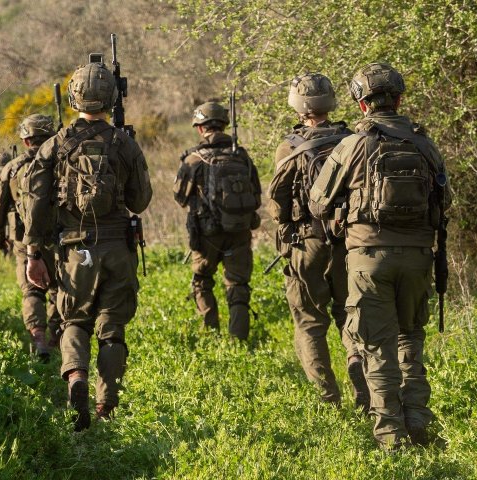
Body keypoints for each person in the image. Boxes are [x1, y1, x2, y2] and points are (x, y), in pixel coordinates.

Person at [309, 62, 450, 450]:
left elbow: (317, 203)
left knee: (376, 345)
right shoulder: (424, 143)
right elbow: (445, 199)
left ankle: (390, 434)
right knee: (410, 339)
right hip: (419, 257)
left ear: (362, 105)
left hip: (369, 259)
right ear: (399, 99)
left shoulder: (354, 143)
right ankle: (417, 419)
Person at [22, 61, 152, 430]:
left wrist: (34, 253)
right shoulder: (124, 142)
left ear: (73, 97)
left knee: (74, 320)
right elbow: (140, 201)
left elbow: (34, 202)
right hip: (117, 249)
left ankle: (76, 376)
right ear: (111, 98)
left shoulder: (54, 145)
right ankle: (105, 406)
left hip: (75, 250)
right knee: (112, 328)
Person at [267, 73, 369, 409]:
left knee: (310, 320)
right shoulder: (353, 140)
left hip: (306, 242)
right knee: (349, 314)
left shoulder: (289, 147)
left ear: (297, 105)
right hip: (349, 244)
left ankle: (328, 402)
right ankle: (356, 362)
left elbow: (276, 204)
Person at [173, 101, 261, 338]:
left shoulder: (193, 160)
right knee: (238, 286)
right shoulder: (241, 156)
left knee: (202, 281)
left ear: (200, 128)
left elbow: (180, 197)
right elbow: (257, 196)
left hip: (206, 235)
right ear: (224, 124)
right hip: (239, 232)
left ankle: (212, 336)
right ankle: (239, 339)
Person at [0, 115, 60, 360]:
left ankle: (38, 338)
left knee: (31, 290)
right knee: (58, 290)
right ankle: (56, 338)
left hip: (24, 241)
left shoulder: (12, 168)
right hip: (59, 239)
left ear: (25, 139)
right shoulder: (61, 163)